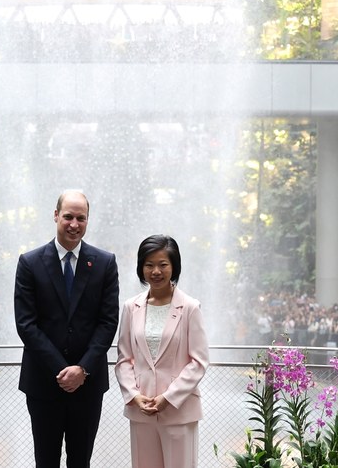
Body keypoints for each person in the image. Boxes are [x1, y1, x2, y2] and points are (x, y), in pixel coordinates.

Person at [15, 190, 120, 468]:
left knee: (80, 461)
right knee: (45, 461)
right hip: (43, 383)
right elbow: (26, 324)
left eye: (81, 218)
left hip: (87, 385)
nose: (74, 224)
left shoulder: (105, 263)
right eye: (68, 217)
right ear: (55, 216)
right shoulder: (30, 262)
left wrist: (82, 369)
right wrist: (63, 370)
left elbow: (108, 322)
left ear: (88, 220)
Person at [115, 235, 210, 468]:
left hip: (179, 410)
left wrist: (168, 398)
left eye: (163, 264)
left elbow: (198, 361)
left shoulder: (190, 307)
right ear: (141, 268)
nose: (155, 271)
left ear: (174, 267)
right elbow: (124, 359)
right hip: (142, 409)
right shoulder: (131, 307)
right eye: (149, 265)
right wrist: (133, 395)